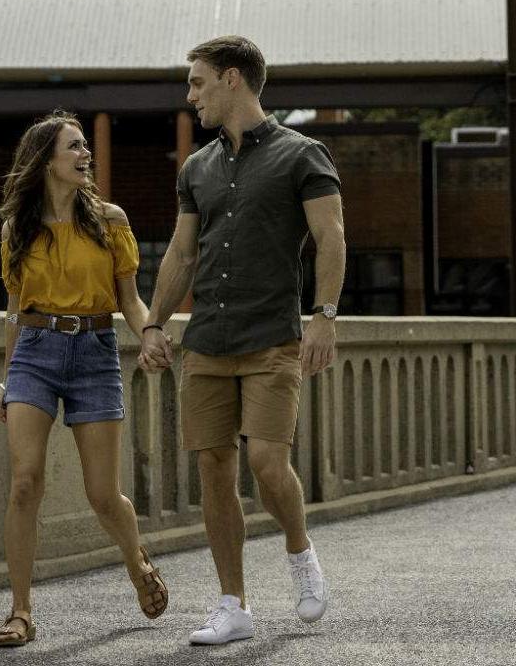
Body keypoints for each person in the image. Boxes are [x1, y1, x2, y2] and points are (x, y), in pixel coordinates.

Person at [138, 35, 346, 646]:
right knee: (214, 469)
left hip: (271, 341)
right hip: (206, 343)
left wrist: (325, 317)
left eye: (198, 82)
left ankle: (300, 553)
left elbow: (331, 237)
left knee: (266, 462)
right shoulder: (197, 168)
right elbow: (181, 253)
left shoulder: (302, 154)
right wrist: (154, 322)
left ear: (232, 80)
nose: (191, 95)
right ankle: (233, 605)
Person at [0, 111, 168, 647]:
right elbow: (16, 310)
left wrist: (151, 334)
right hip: (35, 354)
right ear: (47, 160)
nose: (85, 154)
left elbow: (129, 299)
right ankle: (21, 611)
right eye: (75, 147)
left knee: (102, 494)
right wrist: (7, 378)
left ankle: (136, 563)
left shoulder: (110, 221)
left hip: (94, 352)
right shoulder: (17, 229)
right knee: (25, 483)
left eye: (86, 145)